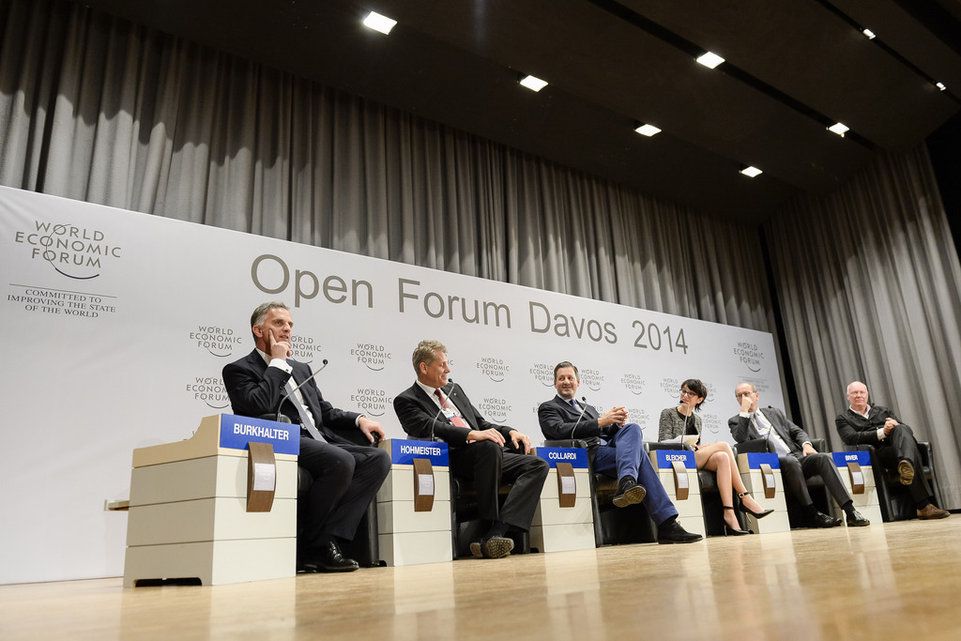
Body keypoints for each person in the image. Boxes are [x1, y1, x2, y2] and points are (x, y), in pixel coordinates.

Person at [223, 302, 391, 572]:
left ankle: (324, 540)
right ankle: (315, 546)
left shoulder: (301, 369)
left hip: (320, 438)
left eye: (290, 324)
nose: (287, 329)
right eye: (278, 323)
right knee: (342, 460)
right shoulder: (239, 369)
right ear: (258, 330)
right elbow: (258, 405)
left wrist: (359, 419)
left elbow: (323, 411)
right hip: (281, 439)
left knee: (378, 459)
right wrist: (277, 362)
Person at [393, 340, 549, 559]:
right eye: (442, 365)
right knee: (488, 447)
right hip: (451, 457)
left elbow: (480, 423)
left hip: (485, 453)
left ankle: (497, 533)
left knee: (537, 465)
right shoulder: (406, 400)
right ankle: (487, 527)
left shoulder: (453, 390)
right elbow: (430, 426)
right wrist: (470, 435)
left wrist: (510, 431)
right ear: (424, 367)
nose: (448, 370)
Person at [538, 361, 702, 544]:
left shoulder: (587, 408)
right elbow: (558, 430)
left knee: (632, 428)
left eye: (570, 378)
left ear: (578, 383)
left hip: (608, 450)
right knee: (640, 456)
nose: (566, 382)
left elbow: (606, 432)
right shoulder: (548, 407)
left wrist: (616, 423)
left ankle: (627, 481)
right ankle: (667, 524)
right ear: (555, 383)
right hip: (585, 455)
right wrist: (601, 422)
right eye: (561, 378)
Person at [729, 382, 870, 528]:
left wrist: (807, 445)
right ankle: (812, 513)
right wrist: (744, 413)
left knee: (823, 458)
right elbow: (741, 439)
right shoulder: (735, 421)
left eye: (747, 394)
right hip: (772, 464)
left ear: (756, 396)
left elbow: (797, 431)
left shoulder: (774, 413)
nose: (743, 397)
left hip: (796, 456)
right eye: (739, 396)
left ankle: (850, 511)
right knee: (790, 461)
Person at [659, 379, 774, 535]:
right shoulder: (668, 413)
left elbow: (696, 446)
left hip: (693, 457)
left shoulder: (697, 420)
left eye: (691, 393)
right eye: (683, 391)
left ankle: (729, 513)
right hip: (677, 460)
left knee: (722, 457)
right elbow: (663, 442)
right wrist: (686, 442)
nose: (685, 395)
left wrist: (700, 446)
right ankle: (745, 497)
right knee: (724, 446)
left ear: (699, 399)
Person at [835, 381, 948, 520]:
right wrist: (883, 431)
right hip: (878, 455)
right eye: (854, 393)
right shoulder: (843, 418)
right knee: (910, 452)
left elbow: (907, 430)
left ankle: (906, 462)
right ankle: (924, 506)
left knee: (901, 428)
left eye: (862, 392)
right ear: (848, 396)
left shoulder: (883, 411)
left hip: (898, 450)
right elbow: (851, 438)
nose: (859, 395)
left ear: (867, 394)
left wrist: (895, 425)